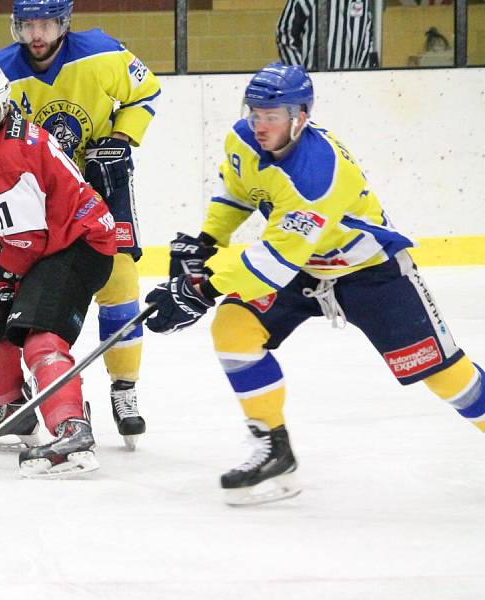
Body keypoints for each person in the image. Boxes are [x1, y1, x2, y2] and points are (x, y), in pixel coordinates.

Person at [145, 63, 484, 505]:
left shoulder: (317, 173)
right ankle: (273, 447)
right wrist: (207, 241)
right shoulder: (242, 140)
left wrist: (203, 289)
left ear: (300, 116)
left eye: (273, 115)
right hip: (304, 270)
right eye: (255, 112)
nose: (260, 124)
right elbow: (238, 192)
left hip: (367, 272)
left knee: (444, 375)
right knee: (233, 330)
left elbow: (274, 259)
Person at [0, 0, 161, 450]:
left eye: (47, 22)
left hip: (97, 187)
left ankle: (124, 389)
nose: (37, 33)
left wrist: (119, 139)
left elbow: (146, 92)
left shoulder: (102, 53)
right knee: (11, 294)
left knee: (120, 282)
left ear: (64, 22)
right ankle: (5, 397)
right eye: (28, 24)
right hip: (35, 196)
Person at [0, 63, 117, 477]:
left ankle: (72, 430)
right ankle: (9, 406)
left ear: (2, 107)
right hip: (55, 239)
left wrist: (3, 281)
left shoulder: (7, 152)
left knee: (40, 337)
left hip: (78, 245)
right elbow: (27, 212)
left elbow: (29, 242)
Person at [277, 0, 377, 70]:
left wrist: (362, 77)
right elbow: (285, 34)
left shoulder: (365, 2)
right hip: (313, 84)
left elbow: (368, 40)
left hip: (352, 86)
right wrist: (299, 75)